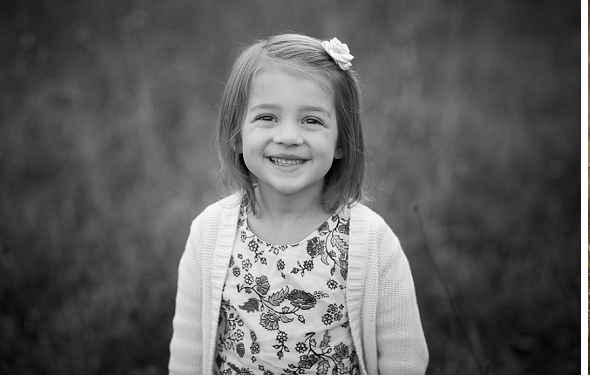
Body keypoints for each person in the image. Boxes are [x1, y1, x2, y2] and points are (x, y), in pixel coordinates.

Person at [168, 33, 429, 374]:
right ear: (237, 133)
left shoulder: (371, 241)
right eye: (267, 118)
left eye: (312, 120)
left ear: (341, 142)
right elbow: (187, 352)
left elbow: (404, 360)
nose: (289, 137)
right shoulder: (209, 233)